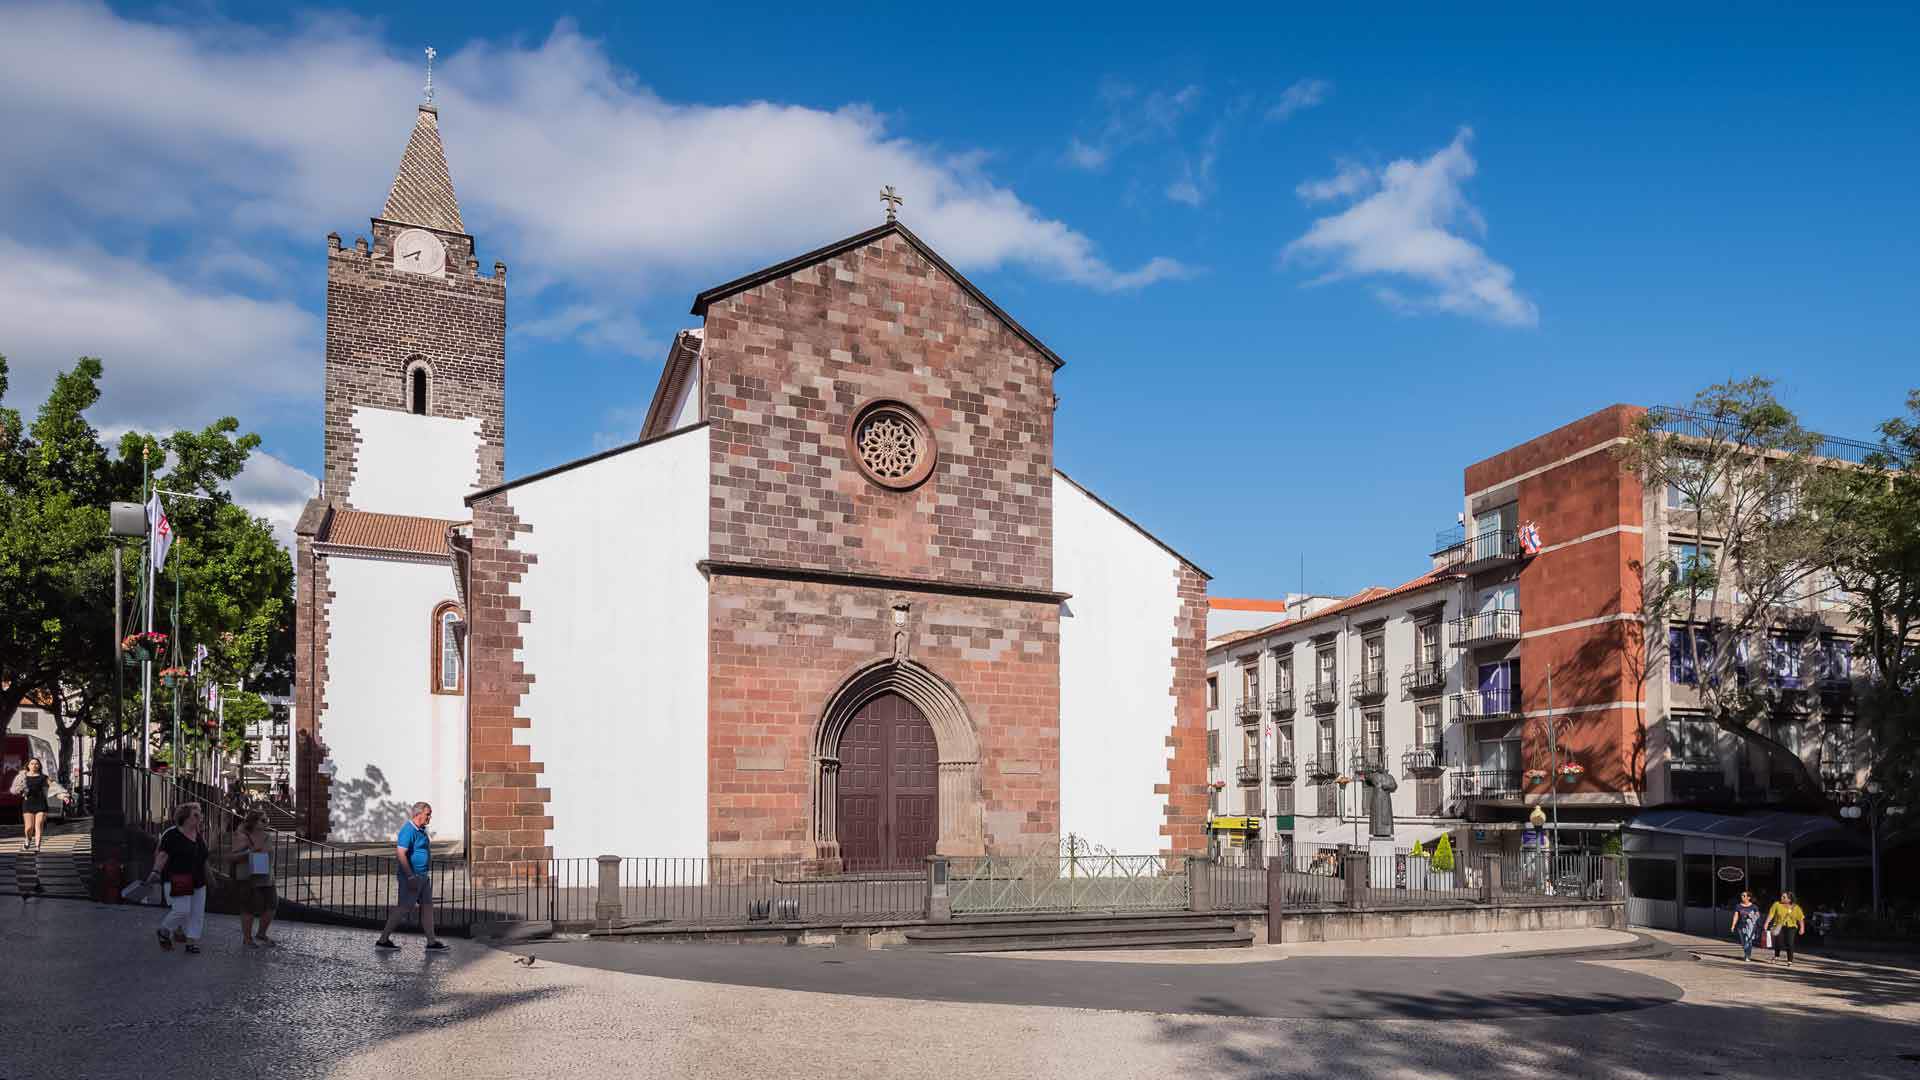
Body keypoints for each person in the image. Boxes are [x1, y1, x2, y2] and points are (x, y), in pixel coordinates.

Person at [375, 802, 446, 952]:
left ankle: (432, 942)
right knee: (403, 908)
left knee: (427, 907)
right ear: (418, 814)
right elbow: (401, 853)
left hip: (423, 876)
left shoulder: (421, 830)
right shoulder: (408, 830)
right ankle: (383, 940)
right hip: (412, 877)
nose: (430, 817)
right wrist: (410, 877)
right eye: (428, 814)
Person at [148, 802, 210, 954]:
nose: (200, 817)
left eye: (200, 814)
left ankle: (191, 942)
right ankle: (164, 930)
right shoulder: (172, 834)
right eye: (196, 815)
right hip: (178, 878)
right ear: (185, 817)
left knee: (196, 913)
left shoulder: (199, 835)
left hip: (198, 880)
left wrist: (210, 876)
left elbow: (203, 858)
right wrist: (155, 871)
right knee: (182, 911)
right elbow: (162, 855)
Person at [228, 809, 279, 948]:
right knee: (248, 908)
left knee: (272, 904)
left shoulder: (267, 836)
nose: (266, 822)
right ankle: (247, 938)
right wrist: (249, 852)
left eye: (267, 819)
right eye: (263, 820)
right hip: (247, 875)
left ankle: (261, 933)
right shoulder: (242, 836)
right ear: (254, 822)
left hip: (266, 875)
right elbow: (231, 857)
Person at [9, 758, 67, 854]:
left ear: (39, 766)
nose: (34, 765)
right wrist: (20, 790)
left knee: (39, 825)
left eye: (36, 764)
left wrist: (63, 796)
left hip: (41, 804)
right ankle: (27, 840)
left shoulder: (43, 777)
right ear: (28, 765)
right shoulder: (22, 777)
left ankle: (37, 847)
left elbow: (54, 787)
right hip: (28, 804)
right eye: (32, 763)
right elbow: (14, 789)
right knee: (29, 828)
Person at [1767, 890, 1807, 965]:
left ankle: (1790, 960)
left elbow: (1801, 918)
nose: (1781, 897)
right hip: (1779, 925)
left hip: (1791, 926)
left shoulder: (1796, 907)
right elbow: (1771, 914)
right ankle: (1776, 956)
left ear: (1789, 899)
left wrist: (1802, 928)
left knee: (1789, 943)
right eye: (1782, 896)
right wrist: (1766, 923)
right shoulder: (1777, 904)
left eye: (1784, 897)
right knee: (1778, 941)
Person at [1729, 890, 1762, 962]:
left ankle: (1747, 956)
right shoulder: (1738, 906)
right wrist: (1733, 926)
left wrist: (1751, 916)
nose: (1742, 897)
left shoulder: (1754, 906)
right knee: (1743, 942)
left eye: (1744, 896)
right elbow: (1736, 916)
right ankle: (1746, 953)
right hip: (1741, 926)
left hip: (1750, 926)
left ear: (1748, 897)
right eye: (1741, 895)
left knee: (1748, 940)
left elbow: (1758, 916)